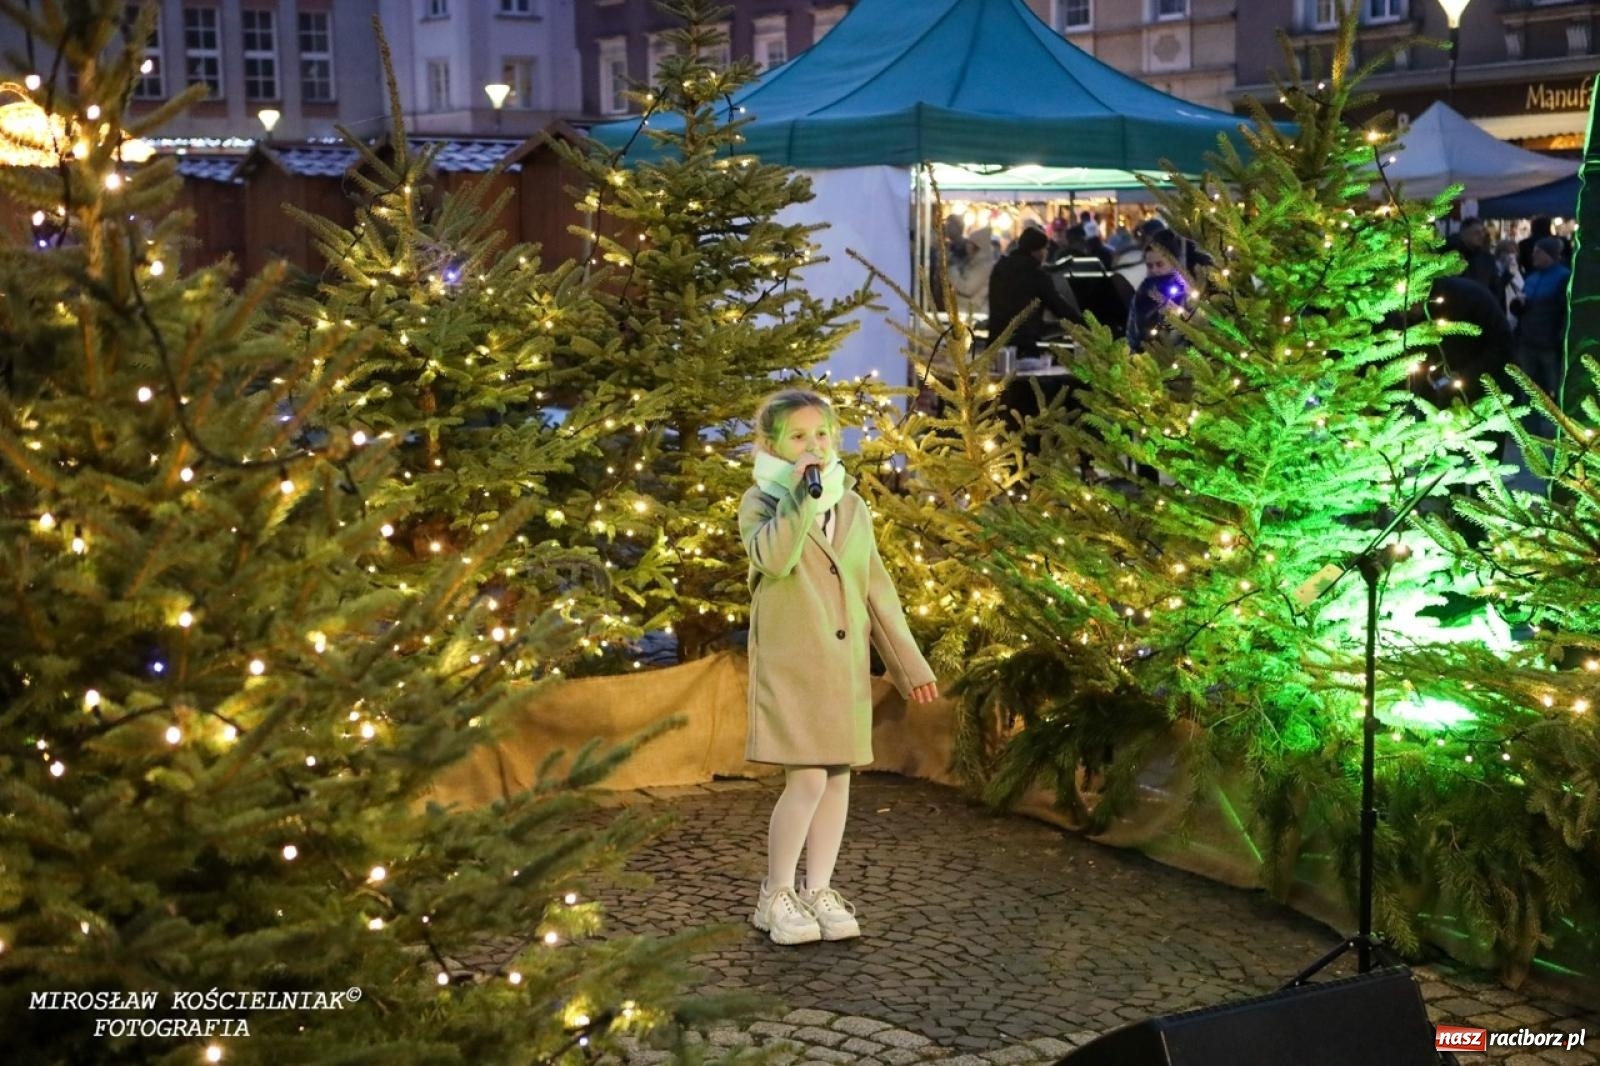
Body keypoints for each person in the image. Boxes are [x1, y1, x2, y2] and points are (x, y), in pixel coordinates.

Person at [740, 389, 939, 946]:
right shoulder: (762, 501)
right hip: (793, 667)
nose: (814, 445)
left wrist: (908, 665)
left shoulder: (852, 506)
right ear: (773, 446)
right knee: (804, 778)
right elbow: (774, 559)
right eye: (799, 437)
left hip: (844, 667)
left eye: (822, 434)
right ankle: (775, 893)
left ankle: (817, 889)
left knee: (837, 780)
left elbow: (877, 590)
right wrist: (799, 501)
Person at [987, 227, 1080, 358]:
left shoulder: (1000, 267)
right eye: (1044, 249)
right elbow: (1058, 307)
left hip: (995, 343)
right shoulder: (1036, 274)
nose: (1046, 253)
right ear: (1035, 251)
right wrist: (1084, 325)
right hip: (1023, 345)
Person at [1510, 235, 1571, 411]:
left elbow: (1564, 310)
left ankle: (1557, 428)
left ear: (1549, 254)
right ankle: (1529, 427)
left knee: (1554, 386)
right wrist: (1517, 306)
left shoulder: (1563, 277)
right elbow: (1521, 307)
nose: (1533, 255)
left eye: (1538, 252)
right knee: (1528, 387)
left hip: (1549, 343)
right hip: (1528, 341)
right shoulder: (1531, 277)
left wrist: (1559, 337)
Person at [1127, 228, 1188, 354]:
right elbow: (1132, 330)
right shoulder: (1143, 291)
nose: (1154, 270)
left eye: (1160, 264)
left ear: (1173, 263)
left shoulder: (1184, 290)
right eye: (1150, 266)